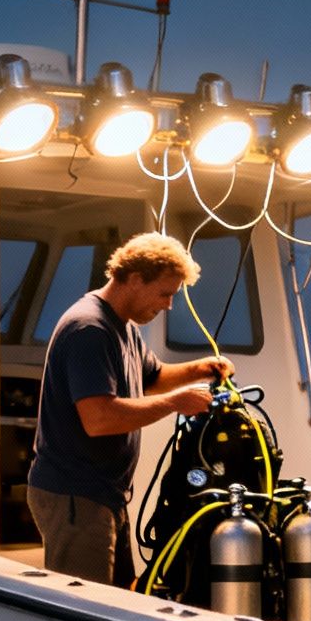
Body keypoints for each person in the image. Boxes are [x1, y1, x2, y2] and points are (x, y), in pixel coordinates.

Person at [28, 232, 233, 585]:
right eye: (165, 293)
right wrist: (175, 404)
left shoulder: (121, 325)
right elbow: (99, 419)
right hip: (75, 494)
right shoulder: (89, 328)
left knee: (122, 597)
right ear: (135, 279)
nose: (169, 305)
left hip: (104, 494)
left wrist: (200, 369)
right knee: (86, 608)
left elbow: (152, 377)